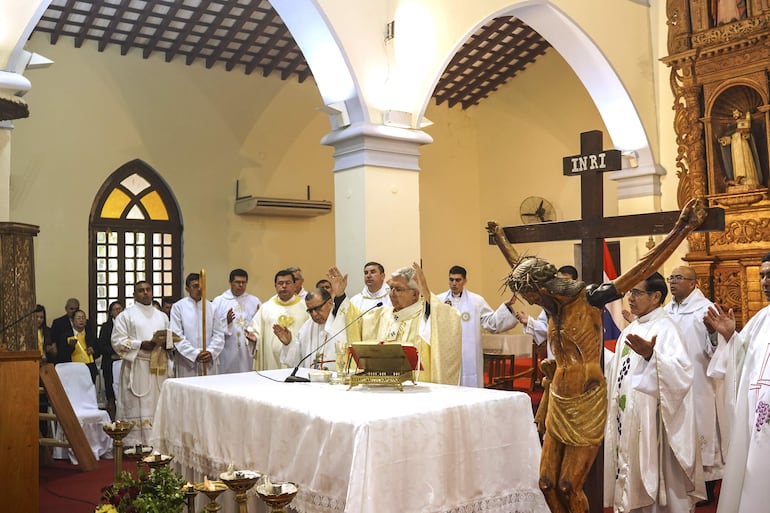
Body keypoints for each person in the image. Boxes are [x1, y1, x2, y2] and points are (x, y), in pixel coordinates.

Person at [486, 197, 707, 513]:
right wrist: (501, 242)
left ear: (544, 288)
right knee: (546, 483)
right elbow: (519, 268)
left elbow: (641, 267)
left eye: (530, 295)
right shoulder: (550, 307)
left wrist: (682, 228)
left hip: (587, 400)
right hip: (558, 398)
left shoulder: (590, 298)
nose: (529, 301)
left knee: (568, 485)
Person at [604, 272, 705, 513]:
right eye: (629, 292)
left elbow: (682, 375)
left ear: (656, 296)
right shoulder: (632, 329)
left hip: (655, 426)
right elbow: (618, 369)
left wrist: (652, 357)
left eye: (637, 292)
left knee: (660, 489)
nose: (630, 298)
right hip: (626, 417)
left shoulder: (667, 328)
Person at [705, 252, 770, 513]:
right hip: (759, 424)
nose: (765, 281)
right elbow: (743, 364)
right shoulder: (760, 320)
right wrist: (732, 337)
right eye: (762, 275)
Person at [327, 263, 462, 384]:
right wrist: (340, 296)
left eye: (398, 289)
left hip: (417, 393)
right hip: (382, 388)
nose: (391, 294)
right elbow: (354, 323)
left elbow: (448, 319)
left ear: (415, 294)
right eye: (390, 288)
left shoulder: (426, 316)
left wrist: (427, 294)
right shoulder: (380, 315)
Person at [663, 265, 724, 506]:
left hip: (700, 383)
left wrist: (713, 333)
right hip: (673, 384)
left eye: (678, 278)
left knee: (702, 431)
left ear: (693, 283)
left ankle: (706, 488)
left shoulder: (705, 309)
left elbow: (719, 351)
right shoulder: (666, 311)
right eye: (671, 278)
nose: (673, 282)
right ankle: (682, 485)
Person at [111, 280, 172, 446]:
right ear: (134, 294)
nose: (145, 293)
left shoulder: (162, 316)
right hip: (137, 365)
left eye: (148, 290)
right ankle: (134, 443)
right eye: (141, 290)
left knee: (157, 402)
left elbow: (169, 339)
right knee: (138, 403)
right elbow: (117, 341)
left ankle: (158, 441)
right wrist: (140, 344)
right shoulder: (126, 315)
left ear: (152, 292)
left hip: (158, 366)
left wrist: (169, 344)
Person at [439, 265, 517, 387]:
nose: (454, 283)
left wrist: (505, 308)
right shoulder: (439, 300)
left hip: (468, 352)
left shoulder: (476, 301)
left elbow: (491, 322)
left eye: (458, 280)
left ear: (465, 281)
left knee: (469, 382)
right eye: (451, 279)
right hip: (447, 352)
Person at [245, 269, 309, 370]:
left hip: (297, 361)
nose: (284, 286)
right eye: (280, 283)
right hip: (271, 361)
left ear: (294, 285)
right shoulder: (266, 307)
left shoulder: (306, 307)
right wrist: (255, 339)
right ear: (275, 286)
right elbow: (256, 330)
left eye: (287, 283)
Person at [515, 265, 579, 359]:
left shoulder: (580, 302)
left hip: (576, 353)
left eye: (566, 282)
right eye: (559, 281)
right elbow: (546, 328)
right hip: (556, 355)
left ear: (574, 282)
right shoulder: (551, 303)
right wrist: (529, 321)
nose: (562, 285)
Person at [170, 273, 225, 377]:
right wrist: (194, 354)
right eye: (195, 286)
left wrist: (210, 352)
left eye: (201, 286)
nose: (199, 289)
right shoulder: (178, 307)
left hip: (207, 360)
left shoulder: (211, 307)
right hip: (186, 361)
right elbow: (176, 335)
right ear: (187, 289)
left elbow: (219, 334)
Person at [277, 287, 346, 370]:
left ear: (330, 303)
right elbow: (297, 363)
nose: (314, 314)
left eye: (317, 308)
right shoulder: (307, 328)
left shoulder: (342, 321)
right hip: (312, 381)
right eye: (310, 310)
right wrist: (288, 344)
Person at [212, 269, 262, 374]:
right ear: (230, 282)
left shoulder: (254, 301)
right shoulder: (219, 301)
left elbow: (259, 326)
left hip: (247, 349)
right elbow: (212, 327)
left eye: (244, 282)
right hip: (227, 349)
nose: (241, 285)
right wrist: (227, 321)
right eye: (237, 282)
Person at [718, 109, 760, 187]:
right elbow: (730, 138)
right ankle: (739, 180)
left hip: (743, 146)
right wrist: (724, 140)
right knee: (737, 164)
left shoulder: (744, 122)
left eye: (736, 114)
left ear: (740, 114)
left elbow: (748, 136)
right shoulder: (732, 127)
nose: (735, 116)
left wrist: (744, 133)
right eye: (734, 114)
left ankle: (749, 180)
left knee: (745, 161)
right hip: (735, 148)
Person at [96, 300, 124, 420]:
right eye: (115, 309)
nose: (118, 311)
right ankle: (112, 419)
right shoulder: (106, 327)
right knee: (111, 392)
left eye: (120, 309)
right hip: (110, 363)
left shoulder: (127, 325)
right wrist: (116, 350)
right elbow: (101, 346)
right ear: (111, 313)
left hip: (124, 361)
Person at [60, 309, 99, 383]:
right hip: (72, 370)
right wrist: (70, 347)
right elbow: (62, 355)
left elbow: (99, 351)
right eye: (78, 318)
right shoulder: (66, 336)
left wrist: (93, 351)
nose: (81, 320)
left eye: (83, 318)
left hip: (89, 369)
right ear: (72, 321)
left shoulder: (90, 335)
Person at [51, 297, 80, 363]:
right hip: (64, 360)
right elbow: (55, 342)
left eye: (76, 309)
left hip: (82, 360)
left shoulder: (85, 323)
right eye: (71, 309)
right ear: (66, 309)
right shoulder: (58, 323)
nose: (74, 311)